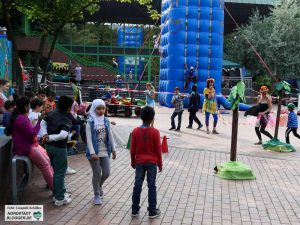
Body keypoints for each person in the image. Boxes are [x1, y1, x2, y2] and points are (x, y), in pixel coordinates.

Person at [5, 97, 53, 191]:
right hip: (26, 147)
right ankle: (56, 189)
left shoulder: (22, 117)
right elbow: (31, 134)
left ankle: (52, 184)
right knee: (45, 165)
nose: (29, 107)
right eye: (28, 105)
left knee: (48, 160)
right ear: (24, 106)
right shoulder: (21, 119)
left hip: (31, 144)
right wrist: (39, 121)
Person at [41, 96, 74, 206]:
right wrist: (50, 137)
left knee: (56, 172)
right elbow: (63, 135)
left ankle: (59, 192)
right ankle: (59, 199)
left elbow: (42, 123)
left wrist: (45, 135)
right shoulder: (66, 118)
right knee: (60, 173)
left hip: (48, 147)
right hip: (59, 148)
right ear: (69, 107)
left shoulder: (52, 113)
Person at [130, 106, 162, 218]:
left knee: (137, 185)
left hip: (139, 162)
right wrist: (160, 164)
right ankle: (152, 210)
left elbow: (132, 149)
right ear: (152, 118)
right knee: (152, 185)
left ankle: (134, 209)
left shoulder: (135, 131)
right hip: (152, 163)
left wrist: (133, 162)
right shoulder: (155, 132)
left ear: (141, 117)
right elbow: (158, 150)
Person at [86, 99, 117, 205]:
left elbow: (111, 135)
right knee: (97, 173)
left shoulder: (106, 121)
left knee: (107, 172)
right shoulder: (90, 122)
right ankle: (96, 195)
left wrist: (113, 149)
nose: (101, 111)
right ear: (94, 109)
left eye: (103, 108)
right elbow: (89, 139)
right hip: (94, 151)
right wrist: (92, 152)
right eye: (98, 109)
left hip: (105, 150)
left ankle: (99, 187)